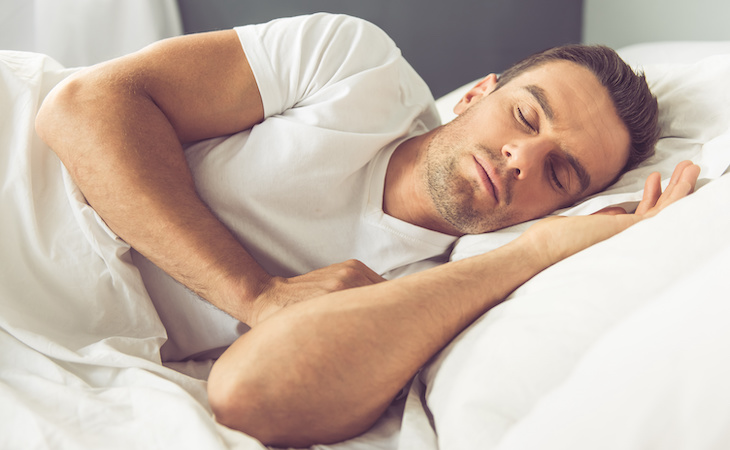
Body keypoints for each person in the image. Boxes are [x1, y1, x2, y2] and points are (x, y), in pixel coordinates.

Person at [34, 12, 698, 447]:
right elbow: (83, 107)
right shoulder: (357, 66)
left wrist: (535, 253)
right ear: (474, 94)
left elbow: (250, 397)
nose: (523, 158)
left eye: (561, 175)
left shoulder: (427, 295)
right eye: (525, 118)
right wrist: (257, 294)